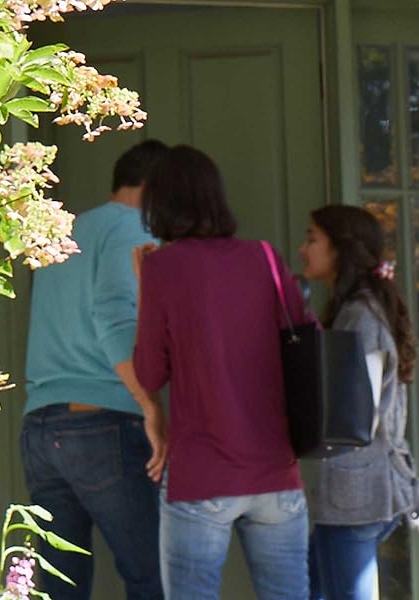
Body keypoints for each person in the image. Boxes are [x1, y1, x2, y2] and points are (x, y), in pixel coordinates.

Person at [131, 144, 310, 600]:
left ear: (161, 204)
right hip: (276, 473)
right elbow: (305, 341)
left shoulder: (162, 268)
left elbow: (150, 373)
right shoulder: (266, 258)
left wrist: (143, 283)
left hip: (203, 473)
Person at [20, 140, 169, 600]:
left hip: (41, 426)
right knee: (151, 576)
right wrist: (149, 405)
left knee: (62, 587)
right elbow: (117, 322)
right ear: (152, 186)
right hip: (105, 419)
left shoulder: (69, 231)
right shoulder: (134, 229)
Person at [298, 205, 419, 600]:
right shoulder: (358, 310)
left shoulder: (361, 316)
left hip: (356, 497)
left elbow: (359, 414)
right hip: (353, 494)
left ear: (341, 249)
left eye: (312, 238)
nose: (304, 249)